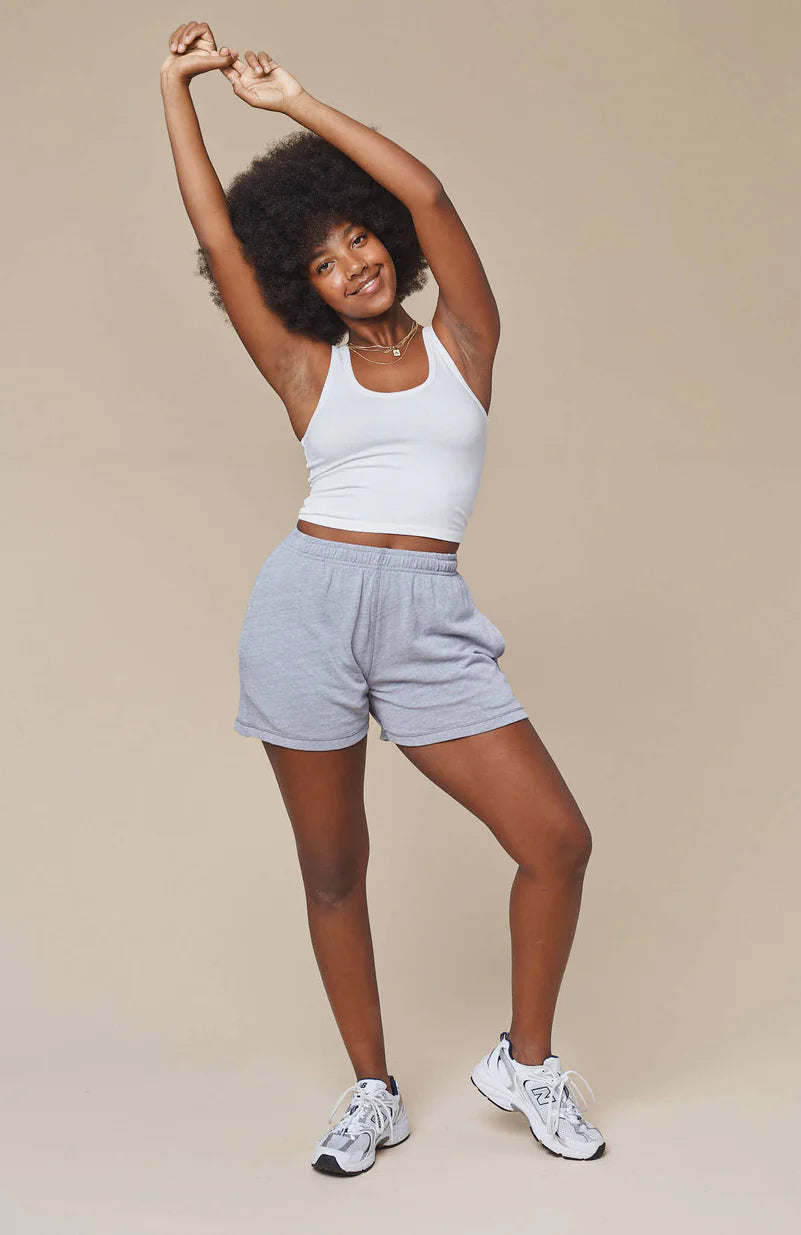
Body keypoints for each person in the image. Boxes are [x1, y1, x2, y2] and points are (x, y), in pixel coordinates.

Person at [160, 20, 606, 1175]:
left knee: (554, 840)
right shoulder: (304, 366)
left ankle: (526, 1061)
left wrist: (294, 103)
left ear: (385, 241)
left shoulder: (467, 340)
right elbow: (214, 232)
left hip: (427, 616)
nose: (351, 262)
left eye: (358, 236)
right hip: (306, 606)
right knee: (332, 868)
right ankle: (373, 1090)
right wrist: (176, 89)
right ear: (298, 284)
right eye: (321, 259)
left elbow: (432, 193)